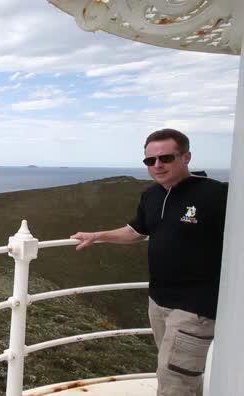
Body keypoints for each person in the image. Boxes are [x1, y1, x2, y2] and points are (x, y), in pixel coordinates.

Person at [71, 128, 228, 396]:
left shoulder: (217, 195)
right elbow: (136, 231)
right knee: (181, 376)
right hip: (158, 301)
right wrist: (98, 236)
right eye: (150, 160)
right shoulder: (152, 195)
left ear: (186, 157)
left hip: (195, 307)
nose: (157, 165)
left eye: (166, 158)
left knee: (173, 380)